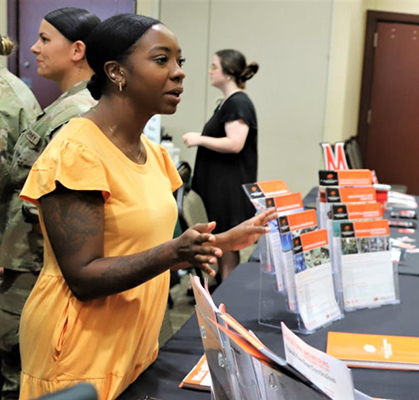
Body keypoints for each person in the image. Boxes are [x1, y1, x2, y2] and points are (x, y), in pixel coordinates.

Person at [17, 14, 275, 400]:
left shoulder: (154, 156)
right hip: (79, 354)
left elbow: (142, 247)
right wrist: (175, 251)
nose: (178, 74)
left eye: (180, 62)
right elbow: (83, 277)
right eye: (161, 60)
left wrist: (218, 240)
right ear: (116, 72)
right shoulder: (77, 151)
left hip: (135, 344)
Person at [1, 8, 100, 400]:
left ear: (77, 50)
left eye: (45, 39)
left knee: (17, 371)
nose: (33, 48)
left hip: (33, 264)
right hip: (26, 260)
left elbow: (49, 204)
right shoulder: (67, 105)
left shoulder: (75, 114)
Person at [182, 49, 259, 280]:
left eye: (214, 66)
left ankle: (224, 300)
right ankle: (220, 290)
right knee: (224, 244)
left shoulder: (238, 102)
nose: (210, 70)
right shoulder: (229, 102)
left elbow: (235, 143)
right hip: (221, 186)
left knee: (228, 245)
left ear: (228, 73)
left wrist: (199, 139)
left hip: (228, 189)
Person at [0, 34, 41, 400]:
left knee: (10, 360)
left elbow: (7, 182)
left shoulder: (4, 98)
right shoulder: (10, 88)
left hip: (10, 245)